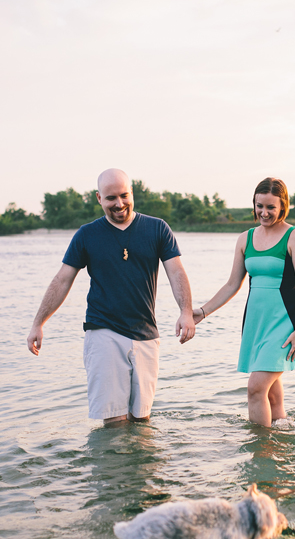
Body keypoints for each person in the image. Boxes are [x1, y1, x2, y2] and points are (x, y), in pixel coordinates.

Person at [26, 168, 196, 425]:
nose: (119, 204)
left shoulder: (157, 228)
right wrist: (39, 322)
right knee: (114, 423)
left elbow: (176, 272)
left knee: (142, 421)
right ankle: (113, 466)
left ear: (132, 193)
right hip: (103, 331)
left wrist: (186, 312)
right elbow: (62, 280)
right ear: (99, 198)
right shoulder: (87, 235)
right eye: (110, 198)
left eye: (124, 196)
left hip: (146, 333)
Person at [193, 177, 295, 427]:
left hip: (285, 323)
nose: (264, 212)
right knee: (270, 393)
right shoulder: (245, 238)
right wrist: (202, 312)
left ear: (283, 206)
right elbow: (231, 285)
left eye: (271, 207)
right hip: (256, 323)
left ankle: (260, 451)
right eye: (260, 206)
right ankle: (282, 440)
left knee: (255, 388)